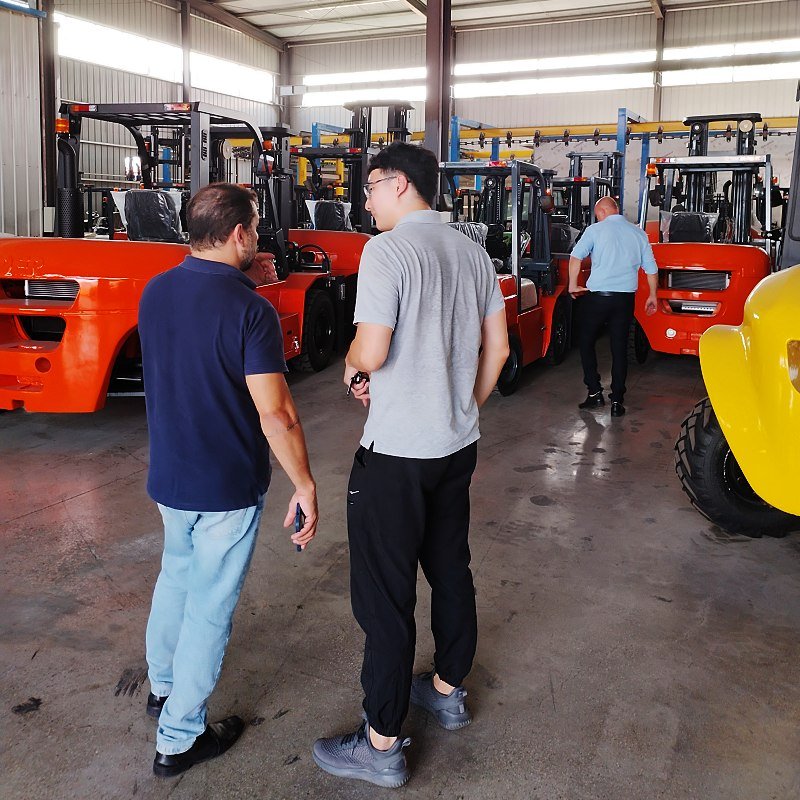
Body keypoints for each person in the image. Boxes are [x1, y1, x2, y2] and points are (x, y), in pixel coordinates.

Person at [311, 142, 510, 789]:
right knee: (450, 568)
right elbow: (498, 349)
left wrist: (352, 365)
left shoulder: (387, 251)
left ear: (397, 185)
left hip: (395, 456)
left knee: (385, 598)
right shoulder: (475, 252)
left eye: (369, 189)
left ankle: (382, 742)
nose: (365, 202)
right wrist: (462, 408)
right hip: (456, 446)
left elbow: (372, 346)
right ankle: (448, 690)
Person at [138, 183, 318, 778]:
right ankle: (180, 738)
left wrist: (247, 282)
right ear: (240, 233)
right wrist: (304, 482)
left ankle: (162, 689)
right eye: (257, 227)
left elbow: (195, 345)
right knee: (210, 608)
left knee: (176, 580)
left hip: (170, 472)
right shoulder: (252, 311)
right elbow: (275, 411)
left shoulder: (157, 290)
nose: (260, 236)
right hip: (224, 483)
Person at [568, 196, 658, 417]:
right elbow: (651, 269)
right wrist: (653, 295)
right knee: (619, 348)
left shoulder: (595, 230)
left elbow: (575, 257)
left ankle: (594, 393)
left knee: (586, 341)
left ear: (601, 212)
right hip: (625, 299)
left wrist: (572, 284)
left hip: (598, 296)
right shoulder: (639, 233)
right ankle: (617, 401)